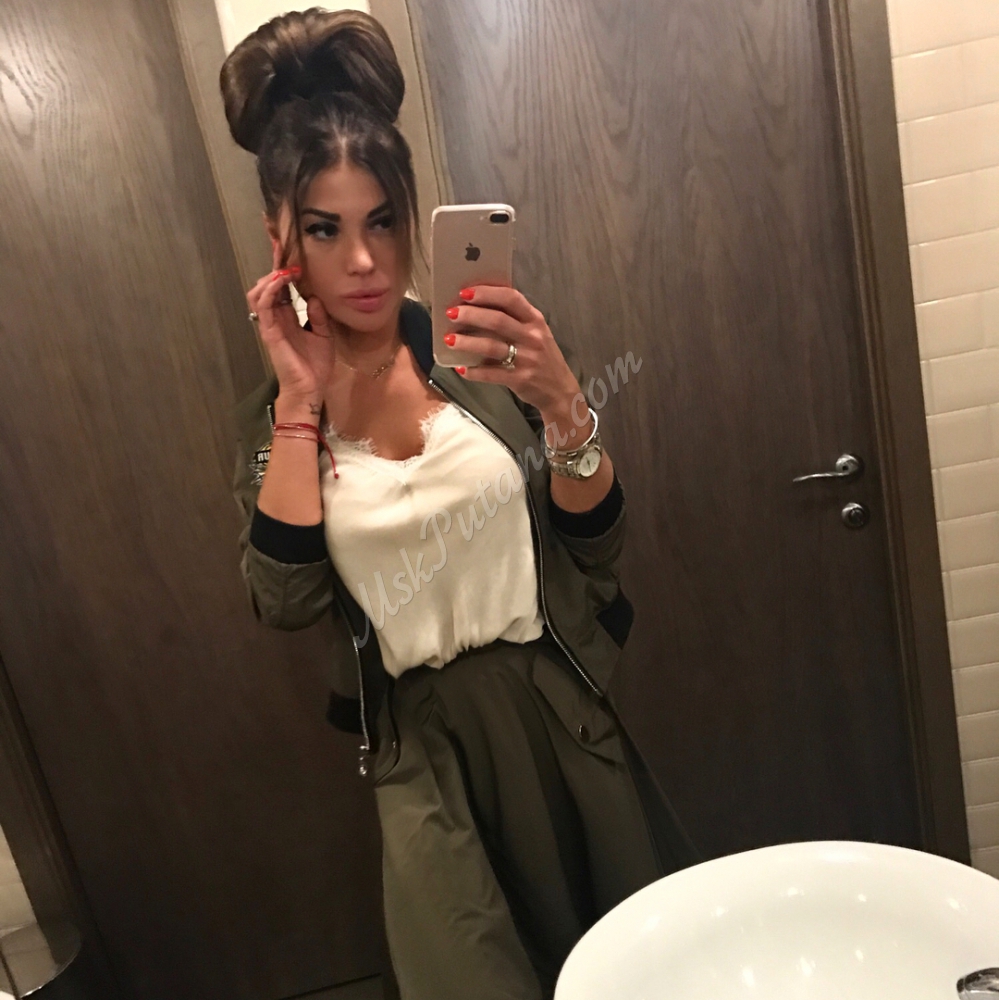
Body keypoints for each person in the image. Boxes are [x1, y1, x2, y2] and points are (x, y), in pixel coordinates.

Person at [222, 9, 697, 999]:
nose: (362, 260)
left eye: (382, 220)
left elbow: (596, 544)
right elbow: (284, 599)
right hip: (420, 748)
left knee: (632, 965)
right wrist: (302, 403)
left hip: (552, 707)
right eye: (325, 228)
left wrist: (565, 405)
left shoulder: (483, 361)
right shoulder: (275, 418)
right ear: (280, 239)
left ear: (412, 216)